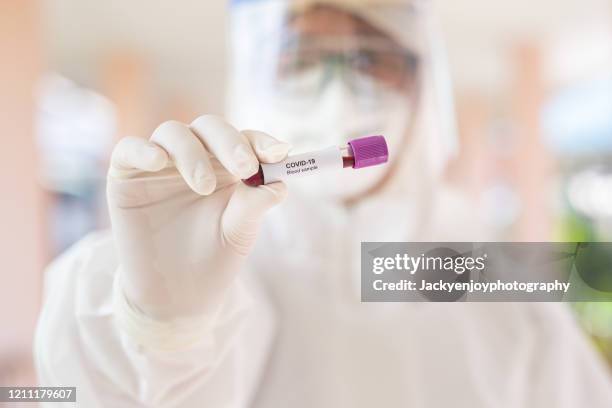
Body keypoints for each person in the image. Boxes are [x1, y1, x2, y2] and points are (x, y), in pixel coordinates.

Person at [34, 1, 612, 407]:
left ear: (420, 87)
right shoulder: (218, 252)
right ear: (256, 77)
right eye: (301, 60)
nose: (337, 88)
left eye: (371, 60)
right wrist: (157, 327)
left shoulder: (489, 272)